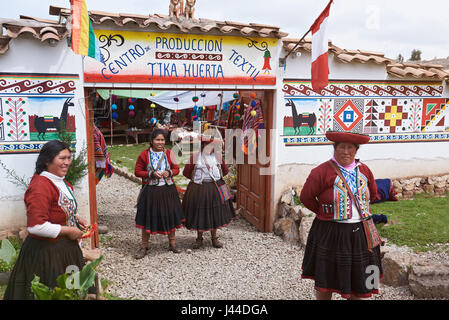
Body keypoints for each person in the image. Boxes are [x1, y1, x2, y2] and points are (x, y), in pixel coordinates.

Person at [299, 131, 383, 300]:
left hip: (361, 232)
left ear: (356, 150)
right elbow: (306, 197)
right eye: (342, 147)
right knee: (326, 276)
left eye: (350, 147)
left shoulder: (365, 170)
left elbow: (373, 194)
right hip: (330, 231)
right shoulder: (321, 172)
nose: (346, 151)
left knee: (360, 276)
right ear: (334, 148)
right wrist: (325, 213)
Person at [4, 140, 90, 300]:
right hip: (46, 254)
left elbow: (58, 208)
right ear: (47, 160)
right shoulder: (40, 187)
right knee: (50, 294)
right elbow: (36, 226)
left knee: (71, 292)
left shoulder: (60, 182)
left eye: (69, 158)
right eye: (62, 158)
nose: (67, 162)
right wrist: (69, 230)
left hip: (66, 250)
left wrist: (75, 217)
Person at [134, 129, 185, 258]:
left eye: (162, 140)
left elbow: (176, 169)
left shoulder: (168, 153)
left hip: (168, 190)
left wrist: (170, 173)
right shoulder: (144, 155)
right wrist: (151, 174)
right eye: (157, 140)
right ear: (152, 141)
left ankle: (172, 244)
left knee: (170, 216)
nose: (160, 142)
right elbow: (137, 172)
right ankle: (144, 246)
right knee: (148, 218)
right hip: (151, 191)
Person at [182, 135, 236, 249]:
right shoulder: (195, 157)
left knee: (215, 212)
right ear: (203, 145)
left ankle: (214, 238)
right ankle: (199, 238)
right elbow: (186, 172)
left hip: (215, 187)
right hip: (199, 188)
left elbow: (225, 171)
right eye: (207, 145)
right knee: (199, 212)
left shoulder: (218, 157)